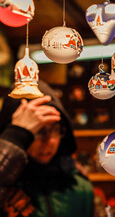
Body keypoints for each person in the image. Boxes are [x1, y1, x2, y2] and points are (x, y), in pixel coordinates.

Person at [0, 81, 94, 217]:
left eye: (55, 129)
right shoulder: (6, 187)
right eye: (39, 130)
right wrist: (16, 135)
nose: (50, 141)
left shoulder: (80, 187)